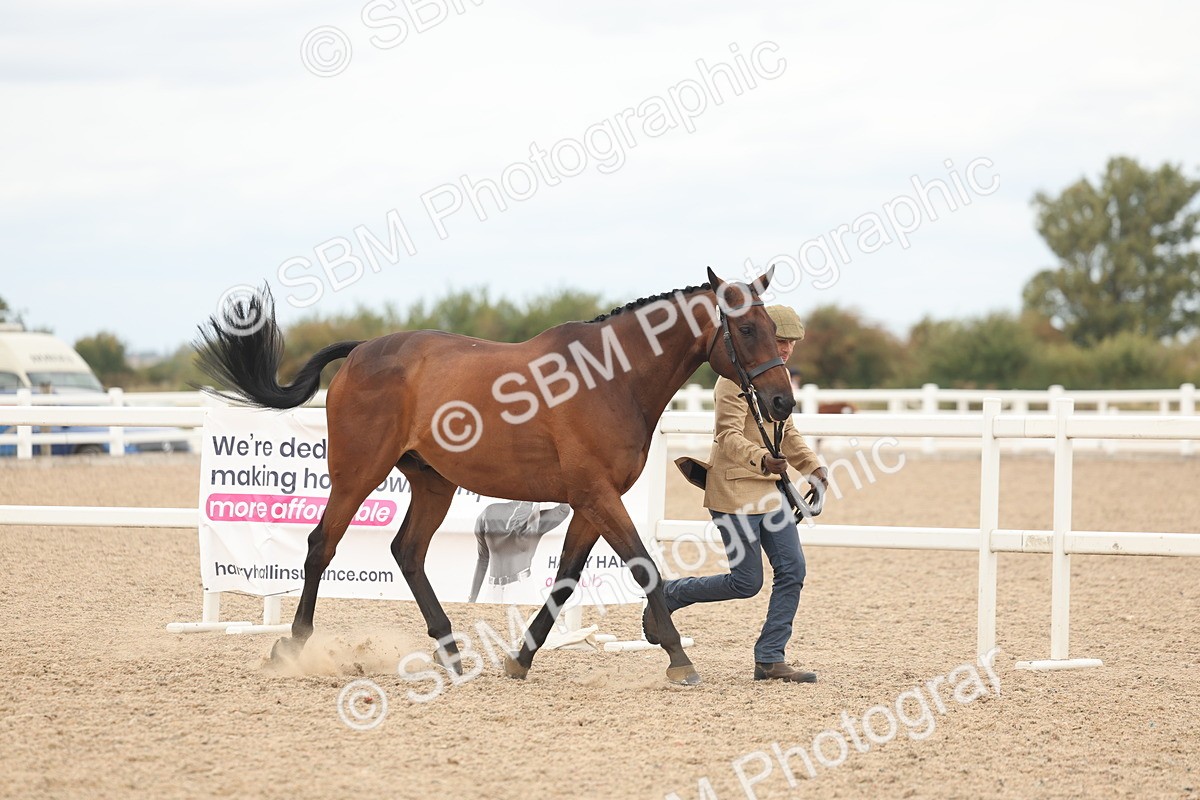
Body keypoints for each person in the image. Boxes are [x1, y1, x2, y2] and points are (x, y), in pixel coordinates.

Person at [645, 305, 830, 682]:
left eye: (790, 343)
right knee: (746, 583)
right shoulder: (731, 381)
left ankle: (770, 657)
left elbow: (787, 433)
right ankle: (670, 594)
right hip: (734, 492)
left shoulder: (776, 379)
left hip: (772, 493)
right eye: (780, 341)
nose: (786, 350)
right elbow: (726, 436)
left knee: (792, 571)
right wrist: (762, 459)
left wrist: (814, 467)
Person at [468, 501, 571, 603]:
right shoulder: (489, 512)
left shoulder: (535, 519)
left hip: (520, 589)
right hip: (493, 590)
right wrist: (472, 599)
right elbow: (483, 558)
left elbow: (564, 509)